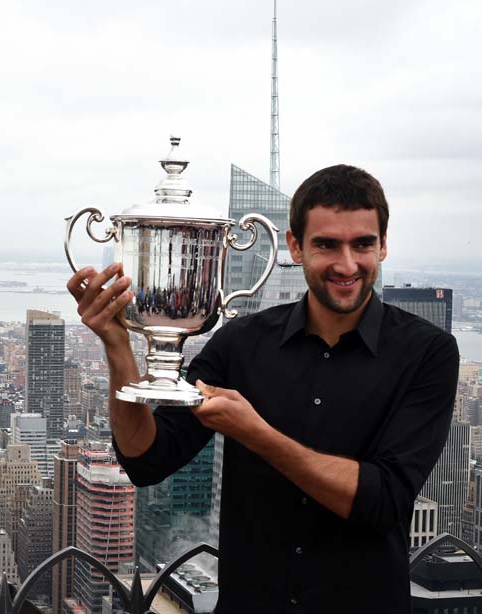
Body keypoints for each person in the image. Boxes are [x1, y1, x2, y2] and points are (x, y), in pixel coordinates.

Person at [66, 164, 459, 613]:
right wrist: (118, 344)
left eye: (363, 244)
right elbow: (147, 459)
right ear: (295, 245)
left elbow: (383, 499)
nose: (347, 264)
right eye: (327, 244)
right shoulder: (243, 341)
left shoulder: (427, 353)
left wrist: (256, 434)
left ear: (383, 246)